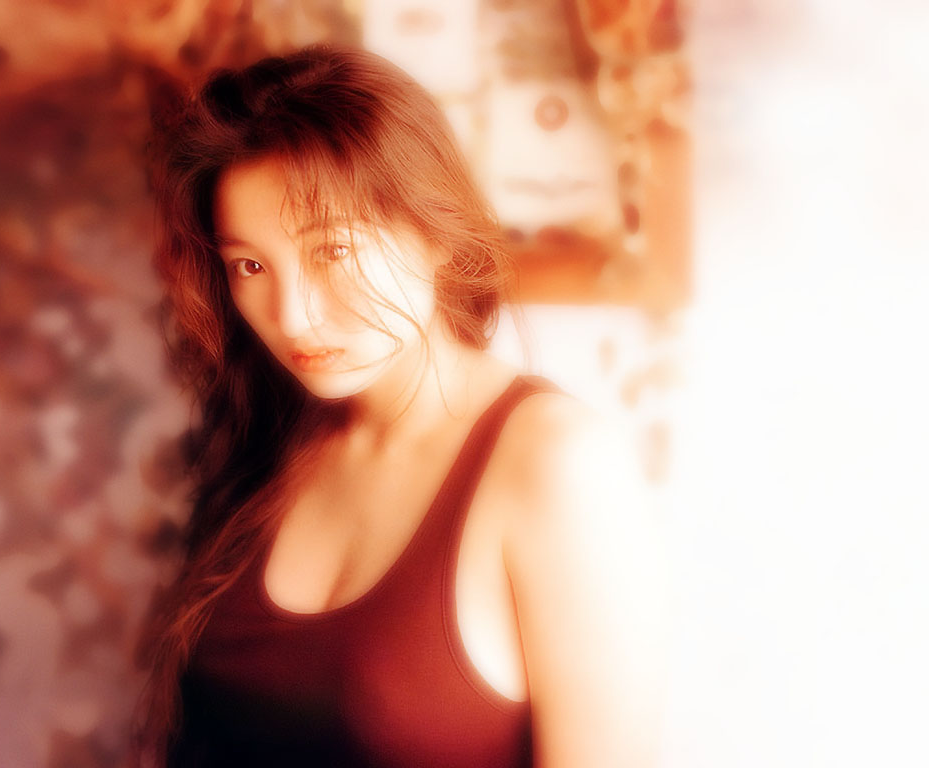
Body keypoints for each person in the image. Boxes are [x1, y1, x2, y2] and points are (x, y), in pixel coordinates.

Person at [134, 46, 665, 768]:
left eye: (333, 252)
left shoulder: (556, 463)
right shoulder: (269, 433)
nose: (292, 317)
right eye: (250, 266)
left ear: (436, 232)